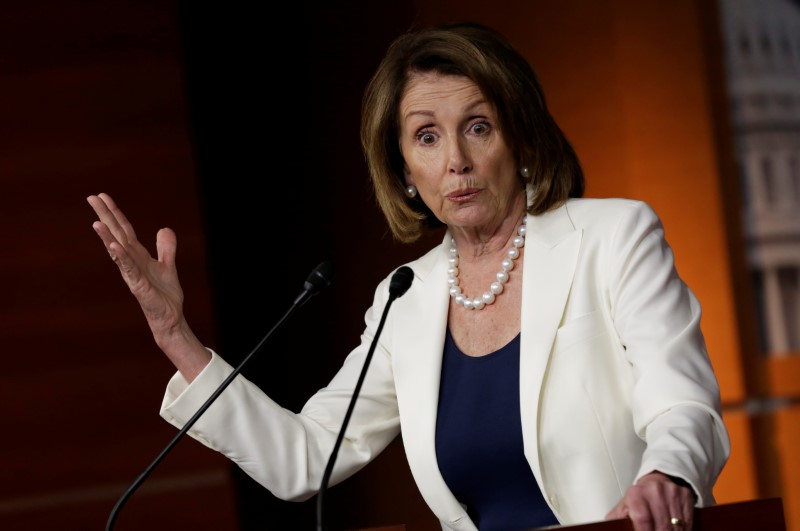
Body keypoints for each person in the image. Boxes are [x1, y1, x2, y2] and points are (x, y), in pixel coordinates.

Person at [88, 21, 730, 531]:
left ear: (522, 138)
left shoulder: (614, 237)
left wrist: (667, 475)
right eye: (427, 137)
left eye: (478, 127)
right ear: (402, 172)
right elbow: (308, 453)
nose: (456, 161)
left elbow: (683, 404)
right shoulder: (407, 297)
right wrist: (176, 335)